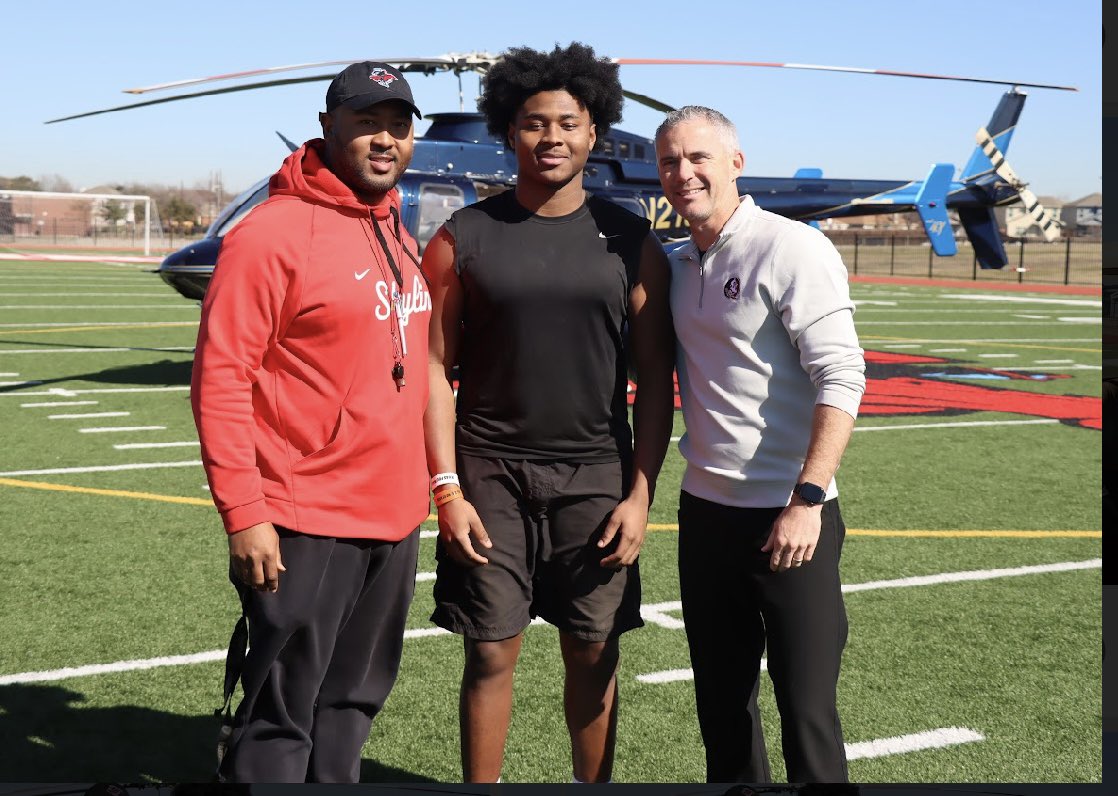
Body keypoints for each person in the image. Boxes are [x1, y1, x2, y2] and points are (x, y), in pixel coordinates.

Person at [420, 43, 676, 783]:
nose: (553, 137)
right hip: (489, 472)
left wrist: (641, 493)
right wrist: (447, 488)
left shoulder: (631, 243)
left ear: (596, 132)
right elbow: (434, 370)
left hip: (596, 474)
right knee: (490, 650)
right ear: (509, 131)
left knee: (593, 650)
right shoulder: (462, 236)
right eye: (535, 123)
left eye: (569, 122)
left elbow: (656, 381)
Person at [191, 61, 431, 783]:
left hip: (392, 518)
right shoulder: (271, 234)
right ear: (327, 129)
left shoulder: (396, 228)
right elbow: (221, 377)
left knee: (351, 707)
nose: (385, 140)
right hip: (303, 517)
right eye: (366, 124)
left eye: (397, 125)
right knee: (282, 716)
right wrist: (244, 513)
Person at [654, 106, 866, 784]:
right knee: (722, 709)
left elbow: (843, 375)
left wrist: (807, 498)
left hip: (791, 516)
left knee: (806, 710)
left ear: (735, 164)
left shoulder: (791, 247)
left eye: (698, 158)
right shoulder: (675, 262)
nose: (683, 173)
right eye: (669, 162)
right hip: (706, 515)